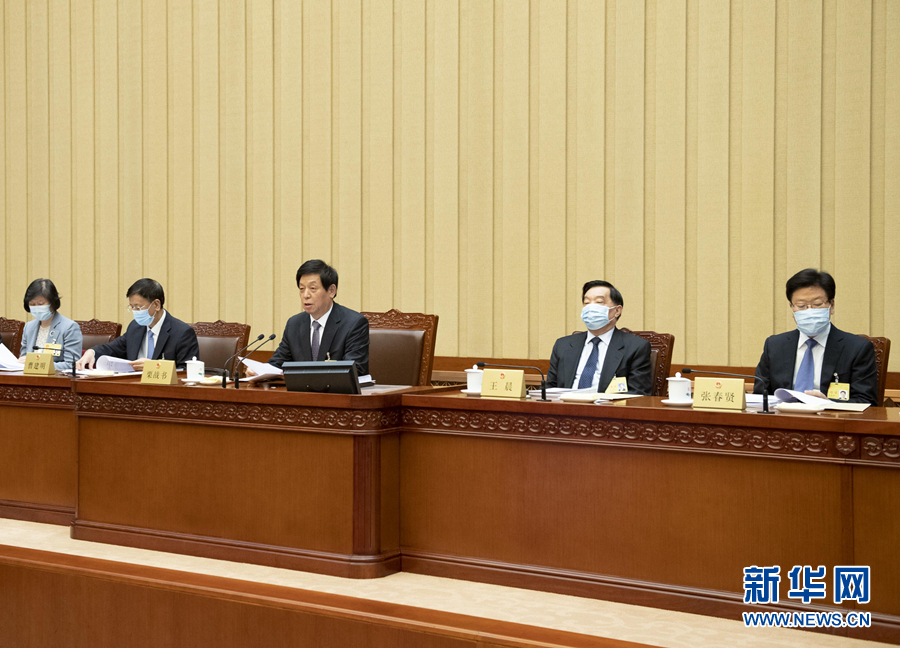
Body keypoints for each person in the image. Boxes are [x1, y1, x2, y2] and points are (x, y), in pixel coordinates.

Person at [753, 268, 878, 405]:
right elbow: (759, 397)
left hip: (831, 417)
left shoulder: (857, 348)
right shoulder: (774, 345)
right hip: (783, 416)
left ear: (831, 305)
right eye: (801, 306)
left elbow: (867, 402)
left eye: (817, 304)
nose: (809, 311)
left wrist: (829, 404)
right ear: (792, 308)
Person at [252, 259, 369, 377]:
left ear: (331, 291)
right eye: (301, 289)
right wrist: (260, 371)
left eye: (313, 288)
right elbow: (278, 363)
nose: (305, 295)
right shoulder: (294, 324)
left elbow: (355, 369)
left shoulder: (353, 323)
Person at [547, 280, 652, 395]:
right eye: (587, 303)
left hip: (607, 405)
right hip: (565, 404)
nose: (591, 307)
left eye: (599, 302)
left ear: (617, 311)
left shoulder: (635, 347)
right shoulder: (563, 345)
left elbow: (637, 394)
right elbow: (549, 389)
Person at [75, 278, 199, 371]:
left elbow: (186, 371)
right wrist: (91, 352)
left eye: (138, 307)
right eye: (132, 307)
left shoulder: (182, 333)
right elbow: (113, 348)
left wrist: (154, 367)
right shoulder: (135, 327)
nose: (135, 312)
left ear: (156, 305)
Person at [17, 278, 83, 372]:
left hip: (56, 378)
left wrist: (38, 364)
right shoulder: (28, 327)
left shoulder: (69, 327)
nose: (36, 308)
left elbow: (72, 364)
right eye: (32, 304)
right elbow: (23, 358)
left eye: (41, 304)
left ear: (52, 303)